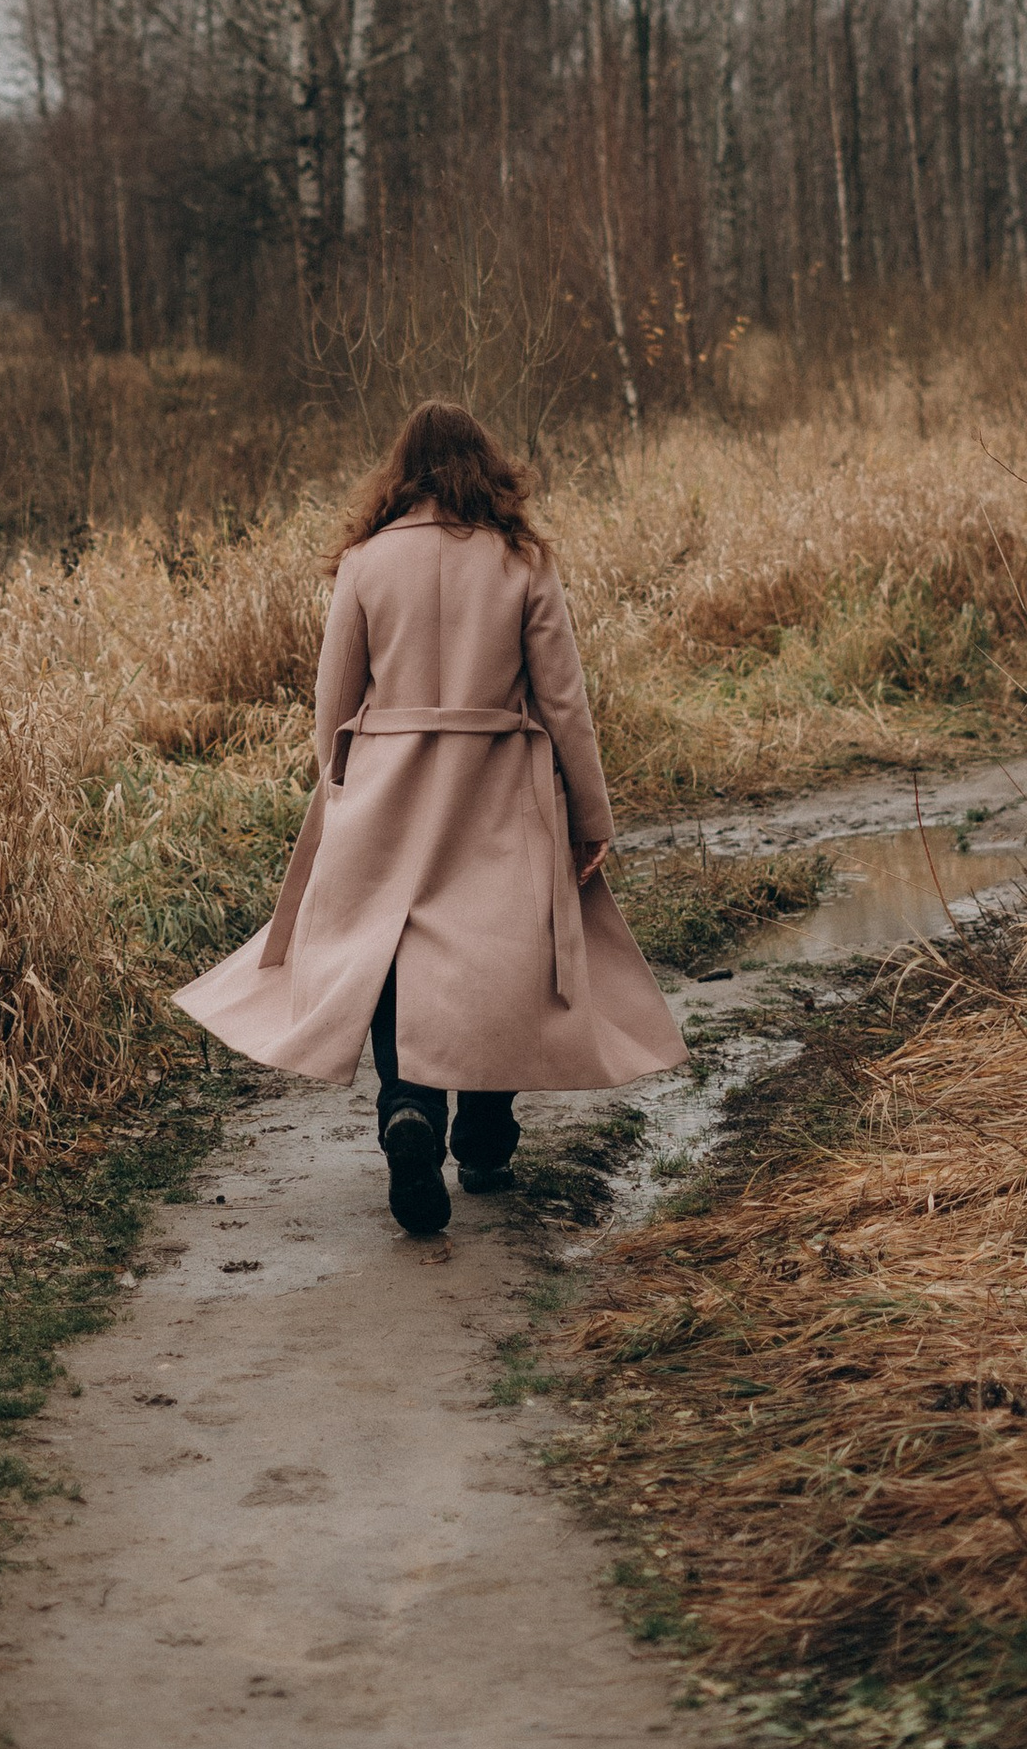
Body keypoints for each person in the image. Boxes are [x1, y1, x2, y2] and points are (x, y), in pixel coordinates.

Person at [173, 401, 686, 1235]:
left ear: (401, 472)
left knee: (388, 950)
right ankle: (484, 1138)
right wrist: (591, 813)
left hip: (390, 781)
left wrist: (344, 784)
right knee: (497, 954)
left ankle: (408, 1108)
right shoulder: (522, 561)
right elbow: (564, 700)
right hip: (499, 783)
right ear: (488, 466)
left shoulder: (367, 563)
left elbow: (333, 700)